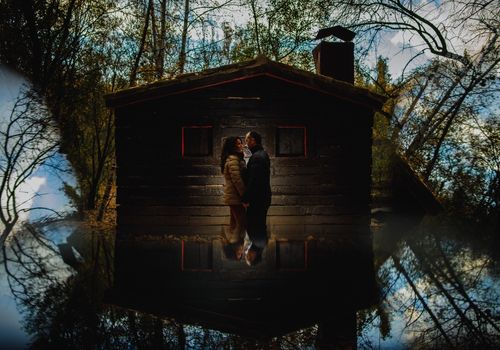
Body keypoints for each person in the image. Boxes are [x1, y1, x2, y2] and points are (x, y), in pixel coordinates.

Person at [242, 131, 271, 266]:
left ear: (253, 140)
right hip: (261, 198)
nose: (245, 143)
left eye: (247, 140)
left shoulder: (257, 157)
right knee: (257, 226)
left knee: (255, 226)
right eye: (248, 256)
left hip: (257, 199)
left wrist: (246, 198)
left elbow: (254, 181)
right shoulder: (261, 155)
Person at [221, 136, 247, 260]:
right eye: (237, 144)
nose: (240, 145)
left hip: (234, 196)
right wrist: (245, 196)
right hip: (235, 197)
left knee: (234, 223)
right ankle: (234, 242)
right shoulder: (233, 159)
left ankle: (230, 242)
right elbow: (237, 180)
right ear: (232, 146)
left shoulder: (235, 158)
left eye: (240, 143)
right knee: (241, 223)